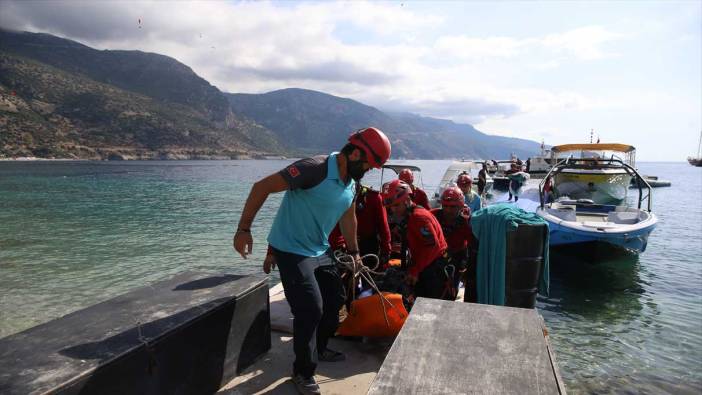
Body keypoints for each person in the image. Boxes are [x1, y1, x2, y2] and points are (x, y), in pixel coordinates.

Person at [233, 127, 391, 395]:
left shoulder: (350, 183)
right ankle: (303, 371)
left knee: (335, 300)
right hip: (292, 250)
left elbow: (348, 217)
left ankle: (319, 347)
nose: (369, 170)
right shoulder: (313, 169)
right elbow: (262, 187)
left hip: (320, 249)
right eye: (368, 164)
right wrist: (244, 230)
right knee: (310, 309)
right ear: (354, 153)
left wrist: (354, 253)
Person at [382, 179, 452, 301]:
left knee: (428, 306)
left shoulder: (418, 217)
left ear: (407, 201)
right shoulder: (411, 216)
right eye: (391, 207)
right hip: (427, 265)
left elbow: (432, 246)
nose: (393, 210)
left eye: (397, 205)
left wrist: (415, 270)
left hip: (434, 270)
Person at [430, 187, 476, 300]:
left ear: (460, 206)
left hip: (457, 259)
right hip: (437, 256)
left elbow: (473, 246)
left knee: (450, 292)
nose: (448, 210)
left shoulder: (466, 222)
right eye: (445, 206)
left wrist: (468, 270)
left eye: (452, 207)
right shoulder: (433, 216)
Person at [328, 183, 391, 263]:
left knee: (369, 271)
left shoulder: (373, 197)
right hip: (347, 245)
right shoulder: (340, 197)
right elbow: (335, 227)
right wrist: (339, 248)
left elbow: (383, 226)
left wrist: (386, 251)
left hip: (369, 245)